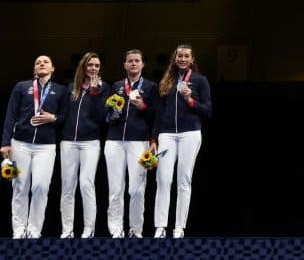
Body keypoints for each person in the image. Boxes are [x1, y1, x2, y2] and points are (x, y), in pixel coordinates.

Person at [1, 55, 69, 239]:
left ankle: (34, 229)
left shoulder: (61, 90)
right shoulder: (22, 87)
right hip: (20, 143)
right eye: (38, 62)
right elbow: (10, 115)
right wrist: (6, 142)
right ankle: (19, 229)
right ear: (34, 69)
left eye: (45, 62)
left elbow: (64, 117)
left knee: (40, 187)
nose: (41, 64)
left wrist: (52, 118)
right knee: (20, 186)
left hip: (46, 147)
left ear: (53, 69)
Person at [150, 44, 212, 238]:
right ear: (174, 58)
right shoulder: (167, 80)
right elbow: (159, 113)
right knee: (163, 179)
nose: (183, 59)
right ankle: (160, 226)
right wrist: (153, 138)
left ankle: (179, 228)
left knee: (184, 180)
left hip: (190, 134)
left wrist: (190, 100)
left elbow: (208, 110)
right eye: (179, 56)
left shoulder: (200, 81)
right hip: (166, 134)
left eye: (186, 56)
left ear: (192, 60)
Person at [104, 49, 158, 238]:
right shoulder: (116, 86)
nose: (133, 64)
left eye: (137, 61)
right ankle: (116, 230)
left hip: (139, 142)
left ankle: (136, 230)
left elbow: (156, 116)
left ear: (143, 64)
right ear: (124, 65)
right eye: (130, 61)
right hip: (114, 141)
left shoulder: (151, 87)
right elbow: (107, 115)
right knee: (115, 188)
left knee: (136, 189)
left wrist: (143, 107)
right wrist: (112, 112)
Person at [59, 52, 111, 238]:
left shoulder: (104, 88)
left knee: (86, 184)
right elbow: (64, 115)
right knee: (67, 186)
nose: (94, 69)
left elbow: (102, 117)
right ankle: (67, 229)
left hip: (90, 142)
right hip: (68, 142)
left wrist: (96, 93)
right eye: (90, 65)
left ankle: (89, 229)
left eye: (97, 66)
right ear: (84, 66)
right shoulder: (71, 88)